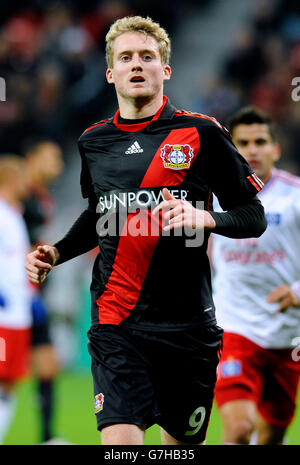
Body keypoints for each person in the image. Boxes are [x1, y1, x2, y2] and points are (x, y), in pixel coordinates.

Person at [25, 16, 267, 445]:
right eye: (126, 57)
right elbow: (100, 213)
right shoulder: (93, 142)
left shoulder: (202, 133)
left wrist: (208, 218)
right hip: (117, 323)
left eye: (147, 57)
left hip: (188, 328)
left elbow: (253, 215)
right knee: (121, 446)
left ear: (165, 69)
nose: (137, 64)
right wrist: (57, 252)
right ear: (110, 72)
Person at [211, 106, 300, 445]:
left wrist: (297, 292)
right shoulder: (212, 196)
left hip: (287, 335)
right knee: (239, 428)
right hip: (233, 327)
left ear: (276, 149)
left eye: (261, 141)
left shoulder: (295, 196)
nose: (252, 149)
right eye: (243, 142)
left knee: (273, 434)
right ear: (232, 149)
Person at [22, 138, 64, 442]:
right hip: (13, 296)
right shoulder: (16, 193)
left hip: (33, 296)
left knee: (48, 365)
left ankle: (47, 438)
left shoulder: (40, 196)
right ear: (33, 157)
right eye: (53, 157)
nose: (59, 165)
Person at [0, 155, 32, 444]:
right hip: (2, 314)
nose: (27, 183)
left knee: (9, 381)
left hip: (17, 313)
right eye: (22, 177)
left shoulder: (14, 213)